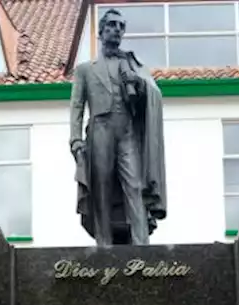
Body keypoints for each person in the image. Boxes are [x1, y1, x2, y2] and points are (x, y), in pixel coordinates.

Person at [68, 8, 167, 246]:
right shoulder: (85, 69)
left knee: (134, 184)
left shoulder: (133, 65)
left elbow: (153, 93)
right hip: (100, 129)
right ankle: (104, 242)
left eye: (121, 27)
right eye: (112, 25)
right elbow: (77, 106)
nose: (117, 30)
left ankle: (142, 243)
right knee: (101, 185)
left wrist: (140, 86)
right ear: (101, 31)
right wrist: (75, 138)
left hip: (127, 131)